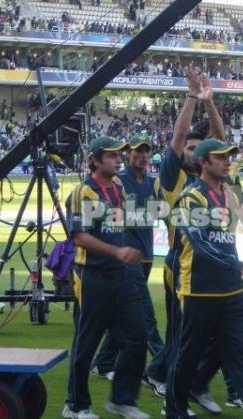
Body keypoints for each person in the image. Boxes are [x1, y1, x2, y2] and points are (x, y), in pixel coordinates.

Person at [165, 138, 243, 419]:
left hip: (231, 292)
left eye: (230, 156)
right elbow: (201, 245)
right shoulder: (190, 198)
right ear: (203, 163)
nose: (228, 161)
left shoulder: (232, 194)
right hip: (199, 292)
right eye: (221, 157)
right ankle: (175, 408)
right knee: (188, 356)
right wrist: (240, 266)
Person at [144, 64, 229, 416]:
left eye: (200, 148)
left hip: (217, 263)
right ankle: (170, 384)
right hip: (183, 264)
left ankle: (185, 380)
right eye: (190, 148)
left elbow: (219, 140)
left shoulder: (215, 177)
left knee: (219, 334)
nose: (194, 152)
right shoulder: (171, 177)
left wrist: (210, 103)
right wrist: (192, 98)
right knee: (185, 335)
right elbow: (178, 137)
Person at [63, 136, 149, 419]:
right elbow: (79, 237)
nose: (119, 159)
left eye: (119, 155)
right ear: (96, 160)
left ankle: (122, 400)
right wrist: (118, 251)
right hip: (92, 275)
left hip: (120, 276)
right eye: (112, 155)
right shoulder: (83, 191)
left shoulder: (119, 187)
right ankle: (76, 405)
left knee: (138, 337)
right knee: (86, 343)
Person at [91, 135, 164, 378]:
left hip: (146, 257)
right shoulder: (119, 182)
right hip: (126, 259)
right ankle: (162, 369)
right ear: (129, 155)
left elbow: (163, 213)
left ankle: (104, 362)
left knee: (120, 312)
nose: (143, 156)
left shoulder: (154, 183)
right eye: (137, 151)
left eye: (147, 151)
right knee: (145, 314)